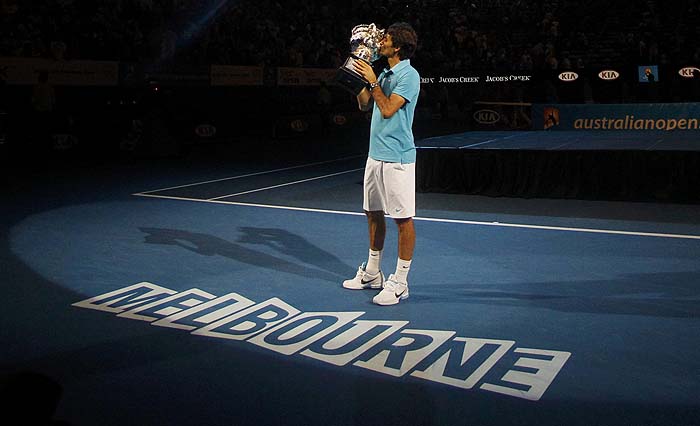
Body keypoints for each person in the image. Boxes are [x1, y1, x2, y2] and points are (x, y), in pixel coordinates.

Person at [342, 22, 420, 306]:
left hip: (397, 157)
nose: (380, 42)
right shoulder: (384, 72)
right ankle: (373, 273)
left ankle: (400, 282)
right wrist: (357, 76)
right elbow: (366, 104)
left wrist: (373, 81)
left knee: (402, 220)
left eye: (385, 38)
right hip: (375, 155)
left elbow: (387, 109)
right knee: (373, 213)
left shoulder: (409, 75)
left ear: (397, 46)